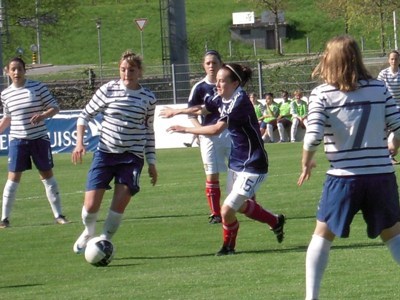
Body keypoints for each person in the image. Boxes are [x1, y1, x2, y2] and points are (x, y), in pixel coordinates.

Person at [297, 35, 400, 300]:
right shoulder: (379, 89)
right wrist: (393, 145)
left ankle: (312, 297)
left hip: (343, 177)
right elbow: (398, 126)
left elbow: (313, 135)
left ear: (330, 58)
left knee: (322, 235)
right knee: (393, 234)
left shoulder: (322, 93)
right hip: (381, 175)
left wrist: (306, 159)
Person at [164, 63, 286, 255]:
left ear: (235, 82)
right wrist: (177, 111)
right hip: (237, 162)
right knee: (239, 206)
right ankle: (275, 221)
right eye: (218, 80)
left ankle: (228, 247)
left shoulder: (240, 102)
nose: (218, 85)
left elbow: (216, 129)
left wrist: (186, 129)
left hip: (254, 164)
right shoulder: (222, 96)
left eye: (222, 81)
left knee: (227, 210)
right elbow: (203, 110)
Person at [71, 50, 158, 254]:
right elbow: (84, 116)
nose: (126, 73)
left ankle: (104, 241)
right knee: (91, 205)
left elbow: (148, 130)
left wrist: (152, 162)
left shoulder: (149, 98)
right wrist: (79, 143)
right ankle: (88, 231)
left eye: (131, 70)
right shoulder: (108, 90)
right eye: (123, 69)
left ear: (140, 72)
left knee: (120, 202)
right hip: (105, 153)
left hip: (132, 158)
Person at [0, 57, 69, 228]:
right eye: (13, 69)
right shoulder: (5, 94)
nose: (16, 72)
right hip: (18, 141)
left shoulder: (38, 88)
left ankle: (59, 215)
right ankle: (4, 219)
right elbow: (8, 117)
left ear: (25, 70)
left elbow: (55, 107)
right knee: (13, 179)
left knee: (47, 176)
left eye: (19, 69)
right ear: (7, 71)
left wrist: (43, 115)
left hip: (39, 139)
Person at [186, 50, 230, 224]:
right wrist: (200, 131)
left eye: (214, 62)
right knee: (212, 174)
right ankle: (215, 213)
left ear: (221, 63)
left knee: (241, 171)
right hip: (209, 136)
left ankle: (250, 204)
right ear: (204, 66)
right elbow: (191, 113)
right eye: (208, 63)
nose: (211, 66)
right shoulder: (199, 88)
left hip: (231, 133)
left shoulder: (230, 83)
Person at [377, 50, 400, 164]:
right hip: (387, 108)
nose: (394, 61)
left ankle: (390, 153)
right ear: (388, 60)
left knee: (398, 134)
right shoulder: (383, 74)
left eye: (396, 59)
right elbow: (378, 90)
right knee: (384, 133)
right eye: (392, 59)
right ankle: (388, 156)